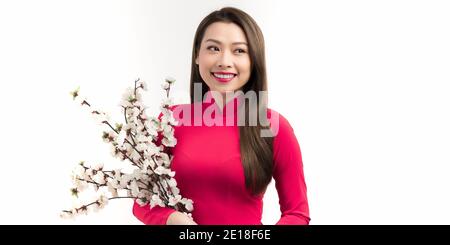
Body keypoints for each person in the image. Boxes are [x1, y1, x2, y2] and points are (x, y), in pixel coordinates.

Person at [132, 7, 310, 225]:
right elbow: (142, 199)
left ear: (253, 61)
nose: (224, 61)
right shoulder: (170, 120)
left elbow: (297, 213)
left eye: (239, 51)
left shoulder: (273, 126)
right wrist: (172, 219)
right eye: (214, 48)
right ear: (197, 55)